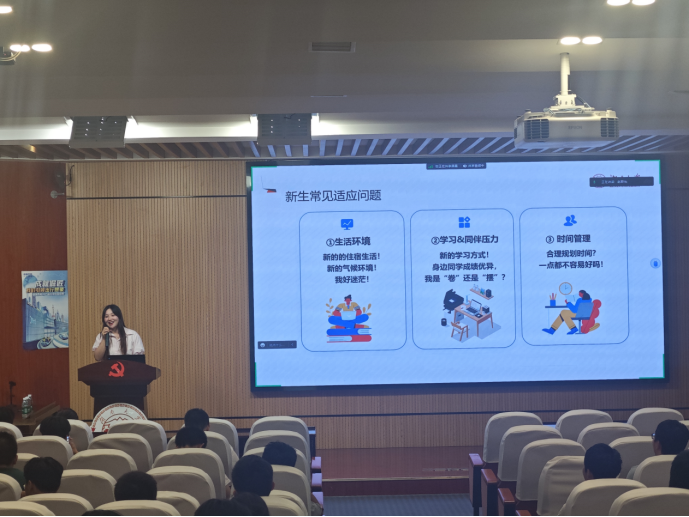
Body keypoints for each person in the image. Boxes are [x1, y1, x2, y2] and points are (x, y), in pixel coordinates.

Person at [262, 442, 323, 516]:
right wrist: (307, 491)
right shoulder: (300, 485)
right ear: (293, 465)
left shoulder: (255, 484)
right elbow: (318, 511)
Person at [176, 423, 232, 498]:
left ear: (176, 446)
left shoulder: (167, 462)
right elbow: (227, 493)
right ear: (201, 446)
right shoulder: (211, 463)